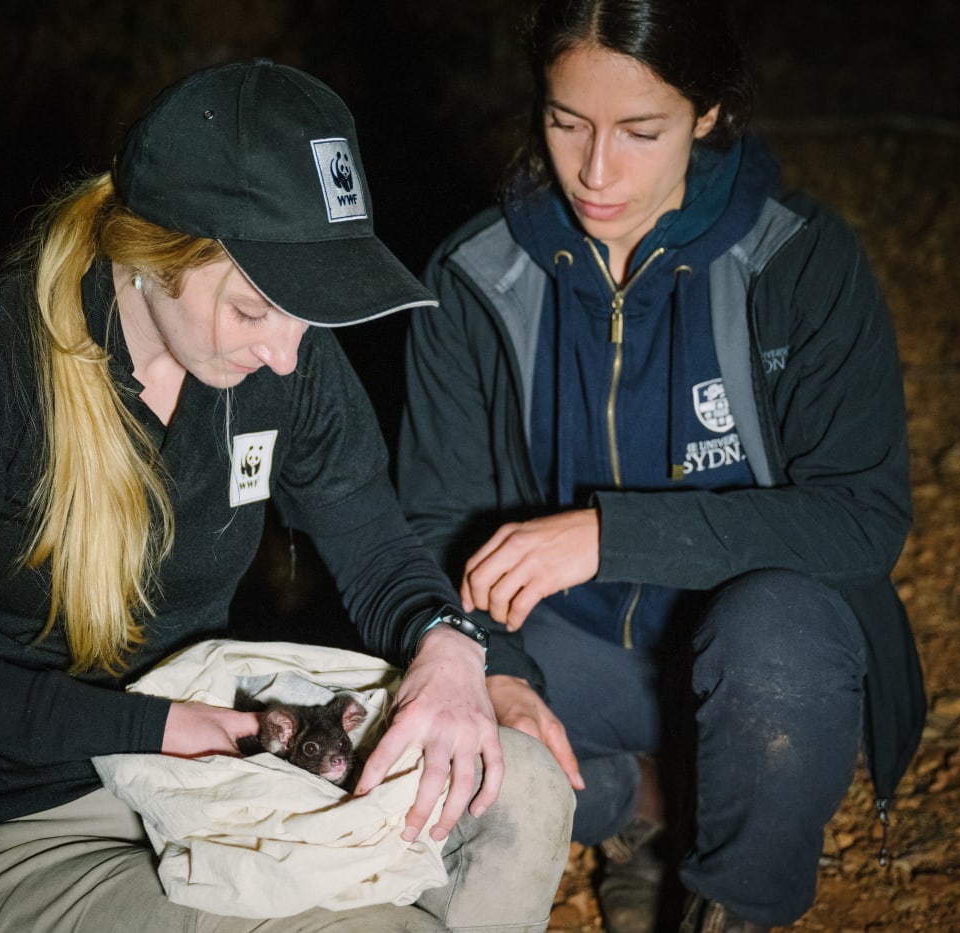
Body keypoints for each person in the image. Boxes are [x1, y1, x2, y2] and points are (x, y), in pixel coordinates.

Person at [0, 60, 574, 933]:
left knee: (524, 789)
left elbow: (371, 540)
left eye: (309, 313)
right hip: (13, 823)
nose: (289, 354)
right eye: (255, 309)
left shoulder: (281, 354)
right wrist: (154, 725)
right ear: (152, 253)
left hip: (215, 781)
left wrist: (447, 646)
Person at [396, 2, 926, 931]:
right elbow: (434, 516)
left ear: (710, 111)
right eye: (567, 123)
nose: (597, 172)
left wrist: (612, 533)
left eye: (642, 131)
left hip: (754, 665)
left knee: (781, 634)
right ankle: (642, 805)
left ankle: (730, 901)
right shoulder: (473, 276)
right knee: (403, 701)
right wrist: (501, 671)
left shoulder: (800, 263)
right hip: (573, 668)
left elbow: (863, 518)